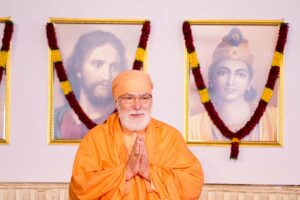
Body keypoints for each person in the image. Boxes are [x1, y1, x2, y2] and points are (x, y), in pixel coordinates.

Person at [69, 70, 204, 199]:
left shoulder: (169, 136)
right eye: (129, 98)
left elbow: (192, 182)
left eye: (144, 98)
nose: (137, 105)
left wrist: (149, 173)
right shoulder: (96, 138)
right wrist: (125, 172)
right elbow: (80, 188)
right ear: (117, 102)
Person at [190, 28, 277, 141]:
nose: (231, 82)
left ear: (249, 82)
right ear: (212, 78)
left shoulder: (274, 119)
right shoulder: (193, 127)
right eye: (223, 73)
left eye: (240, 74)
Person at [54, 30, 128, 140]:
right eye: (97, 64)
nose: (106, 76)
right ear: (78, 68)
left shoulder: (126, 121)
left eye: (114, 67)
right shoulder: (56, 119)